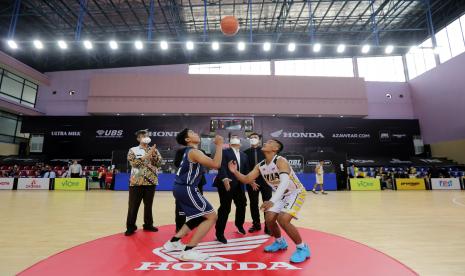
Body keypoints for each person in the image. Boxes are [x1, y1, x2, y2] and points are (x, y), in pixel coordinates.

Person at [228, 139, 311, 263]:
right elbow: (246, 179)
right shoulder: (261, 165)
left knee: (283, 219)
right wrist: (235, 172)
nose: (266, 142)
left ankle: (302, 248)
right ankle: (280, 242)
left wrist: (272, 201)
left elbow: (284, 182)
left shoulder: (281, 161)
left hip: (296, 193)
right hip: (281, 195)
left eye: (270, 142)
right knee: (269, 218)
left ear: (275, 148)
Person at [163, 129, 224, 261]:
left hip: (181, 187)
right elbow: (216, 164)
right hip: (187, 188)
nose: (196, 133)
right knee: (211, 217)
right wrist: (219, 145)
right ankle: (188, 251)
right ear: (187, 140)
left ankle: (173, 242)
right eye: (192, 132)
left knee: (198, 217)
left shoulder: (188, 152)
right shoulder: (194, 151)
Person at [214, 135, 253, 244]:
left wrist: (250, 180)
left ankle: (239, 225)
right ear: (230, 143)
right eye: (233, 140)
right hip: (226, 184)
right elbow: (220, 166)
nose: (236, 141)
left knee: (242, 205)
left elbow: (246, 171)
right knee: (225, 208)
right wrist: (225, 178)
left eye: (237, 140)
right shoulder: (224, 152)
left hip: (240, 185)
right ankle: (219, 233)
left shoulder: (244, 155)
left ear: (240, 144)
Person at [125, 129, 162, 236]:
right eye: (142, 136)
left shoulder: (154, 150)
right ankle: (130, 227)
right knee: (133, 206)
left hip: (151, 182)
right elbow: (134, 163)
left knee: (148, 205)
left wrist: (153, 155)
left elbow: (159, 163)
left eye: (146, 135)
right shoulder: (133, 150)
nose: (145, 137)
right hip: (136, 182)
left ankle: (148, 225)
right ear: (138, 139)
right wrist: (147, 156)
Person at [243, 132, 272, 234]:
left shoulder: (266, 152)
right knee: (253, 204)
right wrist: (250, 181)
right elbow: (244, 169)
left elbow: (271, 167)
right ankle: (256, 224)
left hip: (266, 182)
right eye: (251, 138)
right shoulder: (245, 153)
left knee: (267, 203)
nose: (253, 139)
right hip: (251, 182)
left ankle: (268, 226)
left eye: (255, 137)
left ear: (259, 140)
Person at [174, 147, 207, 232]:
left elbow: (206, 164)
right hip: (184, 182)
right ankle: (179, 226)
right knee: (180, 206)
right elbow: (177, 163)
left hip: (198, 182)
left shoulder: (202, 151)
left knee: (198, 204)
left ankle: (195, 224)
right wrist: (190, 161)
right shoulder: (181, 151)